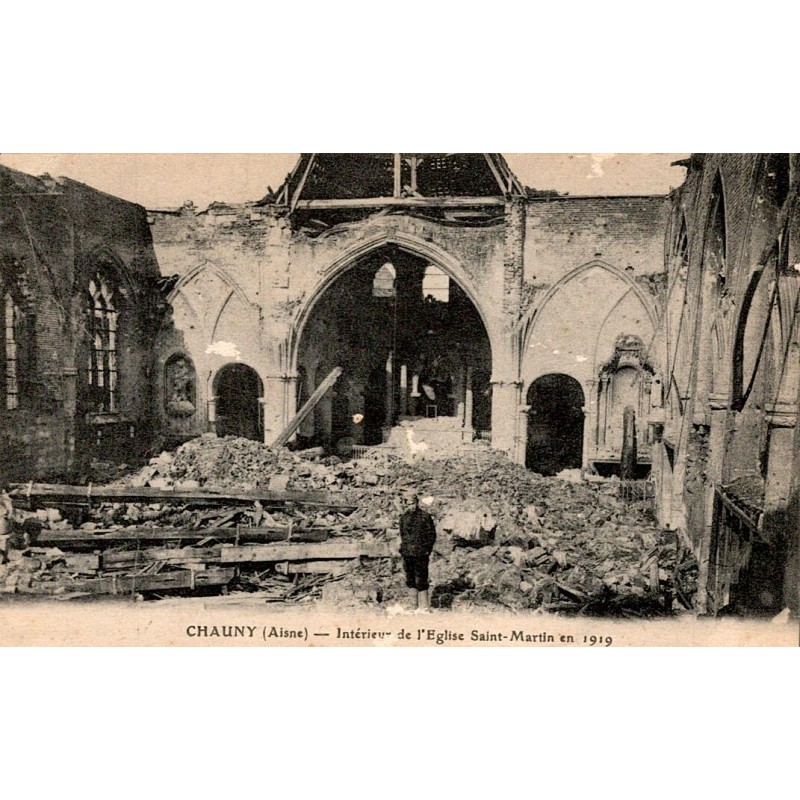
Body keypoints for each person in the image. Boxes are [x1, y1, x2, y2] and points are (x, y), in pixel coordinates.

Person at [399, 492, 436, 610]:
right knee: (410, 578)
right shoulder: (403, 518)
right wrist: (403, 549)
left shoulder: (425, 516)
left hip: (421, 553)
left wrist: (426, 549)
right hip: (407, 553)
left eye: (413, 503)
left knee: (422, 578)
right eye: (409, 504)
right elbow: (403, 535)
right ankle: (413, 605)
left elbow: (432, 535)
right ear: (405, 504)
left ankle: (424, 606)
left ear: (417, 503)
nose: (412, 506)